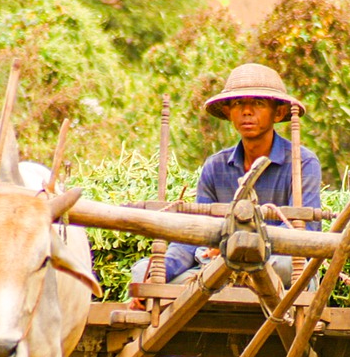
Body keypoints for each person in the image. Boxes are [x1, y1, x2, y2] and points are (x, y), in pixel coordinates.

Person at [132, 63, 322, 290]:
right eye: (239, 103)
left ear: (278, 112)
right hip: (218, 269)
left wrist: (239, 244)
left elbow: (305, 236)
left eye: (258, 104)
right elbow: (195, 236)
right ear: (228, 112)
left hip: (278, 267)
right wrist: (157, 274)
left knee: (290, 265)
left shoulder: (303, 163)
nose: (247, 111)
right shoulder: (215, 167)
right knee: (143, 271)